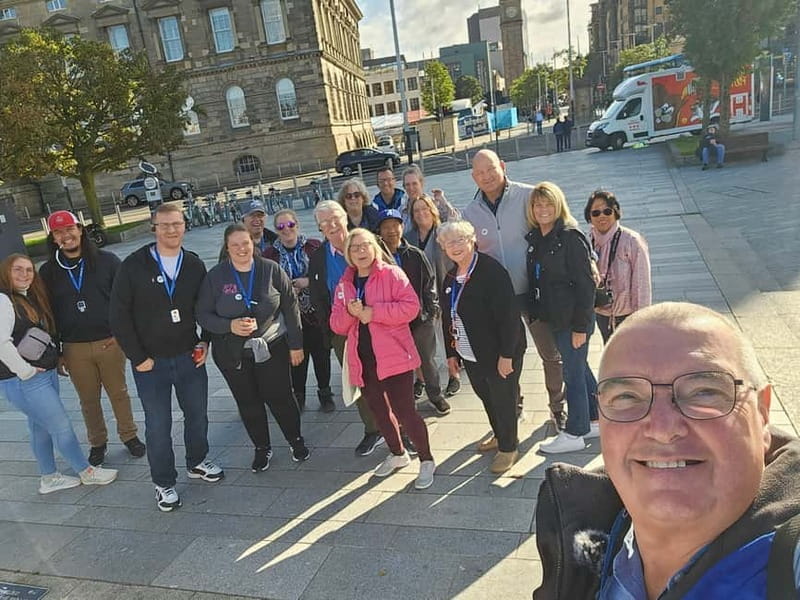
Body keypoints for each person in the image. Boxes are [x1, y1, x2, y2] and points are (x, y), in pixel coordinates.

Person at [535, 302, 800, 599]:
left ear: (762, 413)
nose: (662, 428)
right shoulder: (580, 540)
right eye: (627, 396)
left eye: (705, 391)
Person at [110, 203, 224, 512]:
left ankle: (197, 461)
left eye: (176, 224)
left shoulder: (194, 265)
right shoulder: (133, 265)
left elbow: (208, 308)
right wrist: (137, 357)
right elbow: (118, 315)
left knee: (197, 414)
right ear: (154, 229)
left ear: (185, 226)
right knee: (158, 424)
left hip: (189, 357)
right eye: (164, 225)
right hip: (151, 363)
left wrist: (205, 341)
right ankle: (163, 482)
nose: (171, 230)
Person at [462, 149, 565, 428]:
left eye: (491, 169)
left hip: (534, 291)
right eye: (480, 173)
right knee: (505, 357)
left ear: (503, 166)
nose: (486, 177)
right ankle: (514, 404)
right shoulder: (470, 212)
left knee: (550, 353)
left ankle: (558, 406)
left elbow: (561, 227)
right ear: (473, 177)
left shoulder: (528, 196)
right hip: (498, 300)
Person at [0, 254, 117, 494]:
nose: (24, 275)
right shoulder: (3, 300)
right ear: (5, 273)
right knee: (60, 425)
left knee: (39, 427)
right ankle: (86, 471)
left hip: (40, 375)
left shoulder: (26, 297)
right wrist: (26, 371)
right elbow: (1, 342)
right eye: (17, 270)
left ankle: (49, 477)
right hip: (26, 380)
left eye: (29, 270)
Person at [197, 223, 309, 472]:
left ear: (253, 244)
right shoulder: (215, 276)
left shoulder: (270, 269)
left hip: (272, 347)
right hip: (232, 352)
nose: (241, 249)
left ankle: (295, 439)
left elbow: (290, 307)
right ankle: (262, 447)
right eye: (235, 245)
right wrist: (229, 326)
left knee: (281, 397)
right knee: (248, 402)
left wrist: (296, 344)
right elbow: (203, 314)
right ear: (227, 248)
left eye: (245, 243)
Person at [330, 228, 435, 490]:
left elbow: (411, 308)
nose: (361, 252)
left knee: (405, 411)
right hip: (363, 359)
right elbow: (336, 324)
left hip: (394, 355)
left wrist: (372, 313)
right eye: (355, 248)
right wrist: (351, 313)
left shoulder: (391, 274)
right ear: (348, 254)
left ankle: (426, 459)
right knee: (378, 411)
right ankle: (398, 454)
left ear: (375, 248)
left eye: (365, 245)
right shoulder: (345, 284)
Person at [40, 211, 145, 467]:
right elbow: (48, 314)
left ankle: (129, 435)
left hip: (109, 342)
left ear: (80, 230)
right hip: (74, 347)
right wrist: (58, 351)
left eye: (70, 230)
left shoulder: (107, 261)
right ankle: (97, 443)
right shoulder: (48, 271)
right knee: (88, 400)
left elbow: (126, 301)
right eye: (59, 232)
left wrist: (123, 336)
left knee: (119, 393)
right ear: (53, 238)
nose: (66, 236)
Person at [439, 221, 526, 473]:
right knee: (486, 396)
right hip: (470, 352)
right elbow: (448, 316)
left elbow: (509, 316)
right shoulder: (451, 276)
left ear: (472, 240)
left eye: (459, 240)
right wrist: (451, 352)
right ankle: (500, 435)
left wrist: (507, 355)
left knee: (504, 398)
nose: (454, 247)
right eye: (448, 243)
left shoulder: (490, 271)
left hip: (500, 351)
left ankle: (509, 447)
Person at [526, 182, 598, 454]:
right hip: (555, 319)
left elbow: (585, 284)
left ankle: (576, 432)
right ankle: (593, 418)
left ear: (559, 206)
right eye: (538, 204)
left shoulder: (569, 236)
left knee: (573, 373)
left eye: (548, 204)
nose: (543, 210)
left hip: (572, 320)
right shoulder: (537, 238)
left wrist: (580, 326)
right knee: (580, 368)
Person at [308, 201, 383, 455]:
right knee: (358, 380)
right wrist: (329, 332)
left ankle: (400, 427)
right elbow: (318, 297)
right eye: (324, 223)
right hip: (344, 331)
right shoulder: (318, 257)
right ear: (319, 228)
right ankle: (373, 429)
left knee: (387, 375)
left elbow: (389, 272)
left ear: (345, 217)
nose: (331, 225)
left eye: (335, 219)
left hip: (377, 322)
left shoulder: (364, 241)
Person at [376, 208, 450, 415]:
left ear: (402, 227)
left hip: (419, 318)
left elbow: (429, 282)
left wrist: (432, 309)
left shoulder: (415, 254)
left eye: (395, 225)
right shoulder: (377, 258)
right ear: (379, 231)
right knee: (399, 364)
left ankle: (435, 395)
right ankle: (406, 402)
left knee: (427, 359)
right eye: (386, 227)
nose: (391, 231)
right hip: (392, 320)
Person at [263, 209, 333, 412]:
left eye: (290, 225)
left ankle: (325, 393)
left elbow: (326, 277)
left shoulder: (313, 247)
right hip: (289, 317)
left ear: (297, 225)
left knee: (321, 356)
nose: (287, 230)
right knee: (296, 359)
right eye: (281, 227)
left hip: (315, 313)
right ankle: (299, 395)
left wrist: (307, 282)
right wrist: (285, 290)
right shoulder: (270, 255)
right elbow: (267, 286)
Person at [405, 194, 461, 398]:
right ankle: (420, 379)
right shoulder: (408, 237)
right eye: (417, 210)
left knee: (447, 334)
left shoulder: (443, 233)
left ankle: (454, 375)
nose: (421, 214)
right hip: (419, 297)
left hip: (443, 290)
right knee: (420, 342)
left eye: (424, 209)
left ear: (432, 210)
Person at [584, 190, 652, 342]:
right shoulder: (587, 241)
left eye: (607, 211)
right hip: (600, 312)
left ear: (615, 212)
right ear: (589, 216)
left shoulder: (632, 241)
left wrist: (641, 321)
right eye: (595, 213)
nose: (602, 216)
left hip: (628, 316)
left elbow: (642, 285)